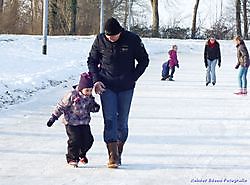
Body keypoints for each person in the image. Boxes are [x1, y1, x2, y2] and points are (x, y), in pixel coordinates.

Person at [87, 17, 149, 168]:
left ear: (120, 32)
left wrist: (133, 77)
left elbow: (144, 60)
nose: (111, 38)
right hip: (106, 85)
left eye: (113, 36)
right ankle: (112, 155)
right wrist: (96, 80)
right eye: (108, 36)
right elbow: (92, 61)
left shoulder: (132, 39)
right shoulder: (100, 40)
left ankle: (119, 149)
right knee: (109, 119)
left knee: (122, 121)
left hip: (126, 87)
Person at [46, 72, 100, 167]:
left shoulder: (90, 98)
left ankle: (81, 154)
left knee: (89, 140)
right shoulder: (72, 95)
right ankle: (72, 158)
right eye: (87, 90)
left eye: (91, 90)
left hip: (84, 122)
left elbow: (91, 107)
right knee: (75, 140)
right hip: (71, 122)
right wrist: (53, 117)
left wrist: (95, 107)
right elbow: (61, 106)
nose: (89, 93)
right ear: (81, 88)